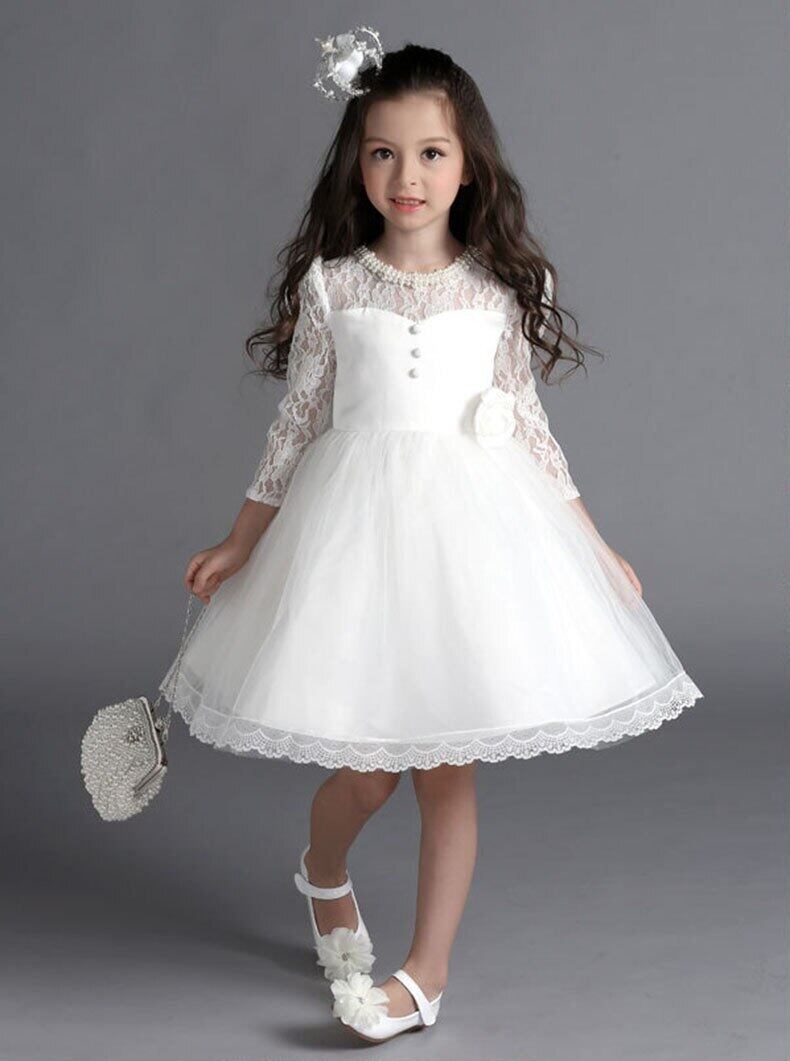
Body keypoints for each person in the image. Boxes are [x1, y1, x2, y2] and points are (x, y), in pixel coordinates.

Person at [157, 29, 704, 1044]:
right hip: (353, 544)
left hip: (466, 551)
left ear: (468, 164)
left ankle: (424, 974)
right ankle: (323, 872)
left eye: (431, 153)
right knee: (368, 772)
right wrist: (240, 541)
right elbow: (294, 428)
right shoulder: (335, 286)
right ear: (357, 163)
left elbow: (532, 434)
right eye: (383, 152)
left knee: (449, 768)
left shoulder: (497, 293)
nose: (406, 176)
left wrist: (594, 547)